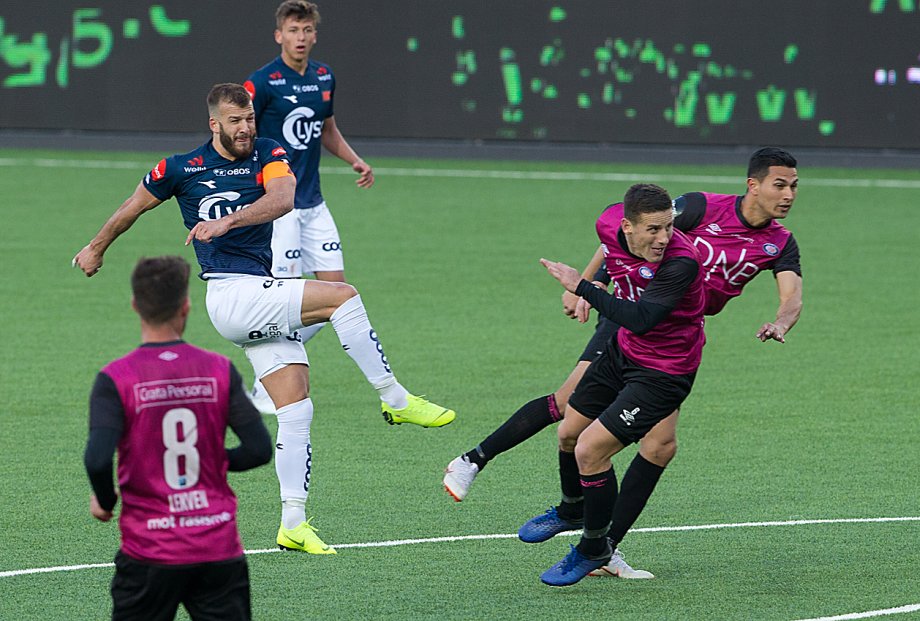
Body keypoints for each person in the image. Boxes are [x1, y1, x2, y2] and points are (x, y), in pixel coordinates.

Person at [73, 83, 454, 556]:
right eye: (235, 121)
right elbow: (132, 208)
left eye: (249, 118)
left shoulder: (268, 152)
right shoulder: (180, 168)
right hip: (232, 295)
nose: (246, 128)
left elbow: (283, 199)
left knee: (296, 408)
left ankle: (292, 522)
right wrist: (96, 247)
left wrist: (227, 221)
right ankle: (394, 398)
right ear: (215, 124)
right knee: (342, 296)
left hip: (256, 292)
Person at [444, 147, 802, 577]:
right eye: (780, 184)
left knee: (659, 445)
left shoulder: (775, 243)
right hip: (627, 320)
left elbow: (791, 296)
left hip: (669, 329)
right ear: (753, 184)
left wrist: (782, 321)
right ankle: (486, 466)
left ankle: (601, 543)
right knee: (569, 418)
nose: (788, 194)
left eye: (794, 186)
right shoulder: (703, 209)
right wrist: (588, 284)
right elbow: (622, 237)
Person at [534, 183, 707, 586]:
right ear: (627, 226)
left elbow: (642, 318)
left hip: (664, 372)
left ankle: (595, 547)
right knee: (569, 432)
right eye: (653, 229)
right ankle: (571, 508)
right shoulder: (608, 223)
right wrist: (589, 282)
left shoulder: (682, 261)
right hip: (623, 353)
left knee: (592, 450)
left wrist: (583, 288)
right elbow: (608, 249)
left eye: (668, 227)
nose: (664, 238)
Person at [84, 256, 272, 620]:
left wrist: (105, 501)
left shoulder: (115, 378)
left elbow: (96, 458)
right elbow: (259, 449)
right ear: (186, 307)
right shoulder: (219, 369)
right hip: (217, 549)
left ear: (135, 305)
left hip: (148, 553)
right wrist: (212, 461)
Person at [243, 0, 375, 413]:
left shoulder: (323, 77)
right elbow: (239, 134)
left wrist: (353, 157)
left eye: (306, 31)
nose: (300, 38)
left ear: (314, 35)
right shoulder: (261, 83)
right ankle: (267, 384)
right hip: (279, 207)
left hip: (314, 203)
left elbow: (326, 131)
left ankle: (268, 359)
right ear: (278, 35)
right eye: (292, 30)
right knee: (288, 298)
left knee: (336, 296)